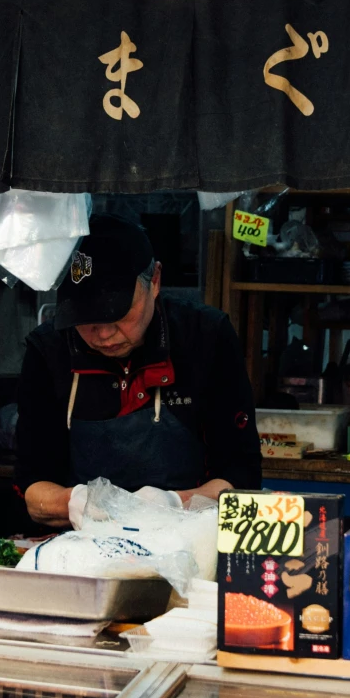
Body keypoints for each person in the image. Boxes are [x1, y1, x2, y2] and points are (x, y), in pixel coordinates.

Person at [14, 214, 262, 525]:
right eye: (84, 317)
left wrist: (174, 504)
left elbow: (240, 472)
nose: (103, 334)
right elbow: (33, 483)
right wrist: (74, 502)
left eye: (117, 313)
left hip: (189, 543)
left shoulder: (206, 337)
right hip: (81, 550)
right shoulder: (48, 349)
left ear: (154, 280)